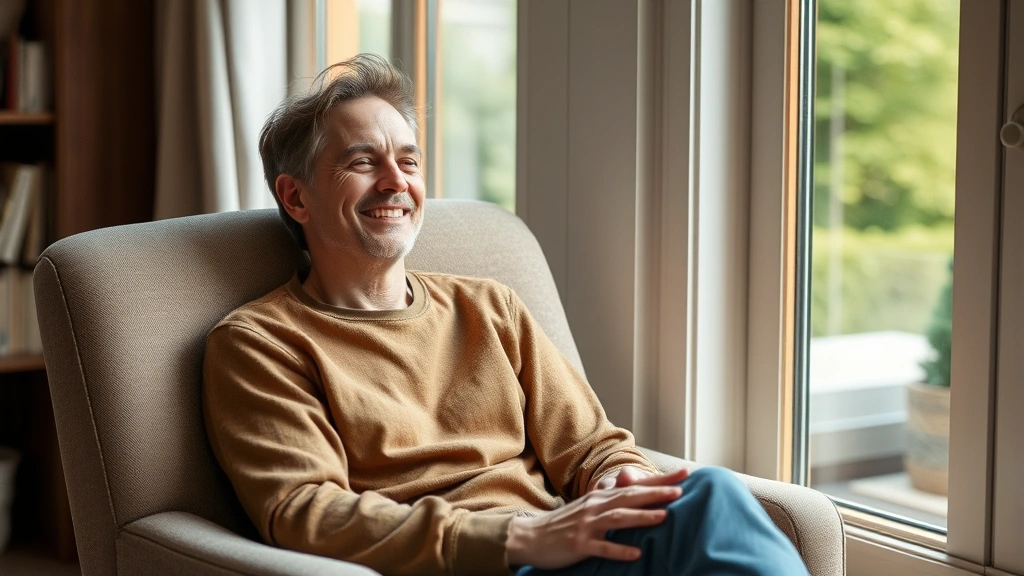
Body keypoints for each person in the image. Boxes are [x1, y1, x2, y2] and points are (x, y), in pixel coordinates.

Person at [202, 53, 811, 576]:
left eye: (409, 161)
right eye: (362, 163)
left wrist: (614, 485)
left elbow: (593, 446)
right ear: (296, 196)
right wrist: (519, 537)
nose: (396, 182)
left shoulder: (487, 307)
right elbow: (306, 510)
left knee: (704, 497)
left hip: (572, 552)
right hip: (485, 564)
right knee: (711, 498)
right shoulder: (260, 344)